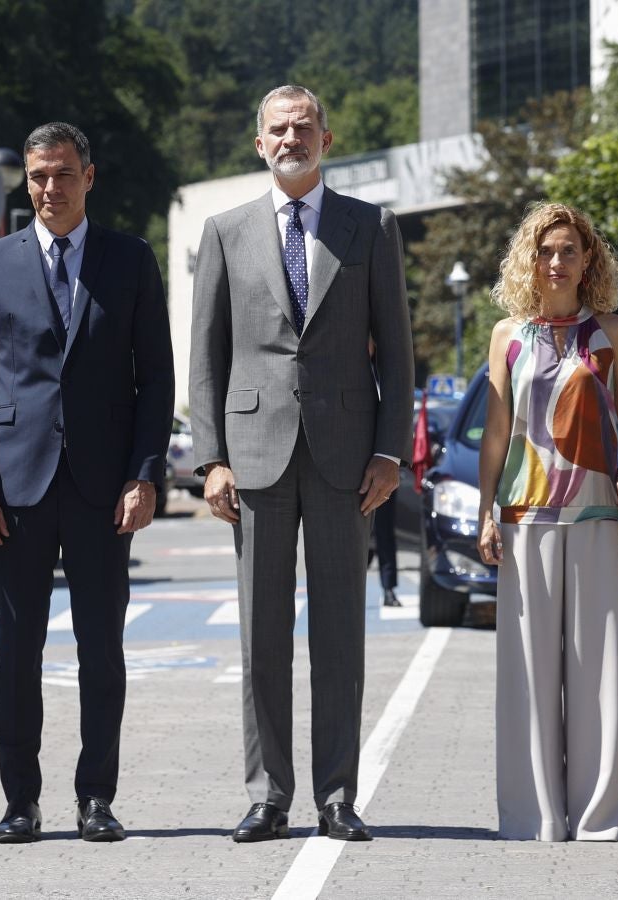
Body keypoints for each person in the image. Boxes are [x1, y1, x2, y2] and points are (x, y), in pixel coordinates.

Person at [189, 85, 413, 843]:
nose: (292, 138)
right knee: (262, 639)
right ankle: (269, 794)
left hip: (348, 460)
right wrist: (210, 459)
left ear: (328, 135)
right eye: (278, 129)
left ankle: (338, 795)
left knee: (341, 638)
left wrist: (389, 450)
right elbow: (207, 358)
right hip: (253, 460)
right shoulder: (224, 232)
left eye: (304, 126)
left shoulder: (372, 226)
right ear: (260, 143)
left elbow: (400, 355)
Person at [0, 122, 174, 844]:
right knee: (17, 651)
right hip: (14, 491)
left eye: (64, 174)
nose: (50, 187)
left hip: (104, 489)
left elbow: (156, 380)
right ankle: (21, 800)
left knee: (100, 650)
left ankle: (96, 799)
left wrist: (145, 476)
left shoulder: (130, 260)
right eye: (39, 175)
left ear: (90, 176)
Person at [476, 203, 618, 842]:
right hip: (525, 517)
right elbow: (498, 432)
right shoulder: (508, 335)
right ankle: (532, 819)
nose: (556, 261)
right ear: (528, 260)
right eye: (545, 250)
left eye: (568, 250)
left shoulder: (610, 331)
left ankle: (597, 818)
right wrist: (485, 511)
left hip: (593, 516)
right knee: (527, 675)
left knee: (599, 672)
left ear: (589, 261)